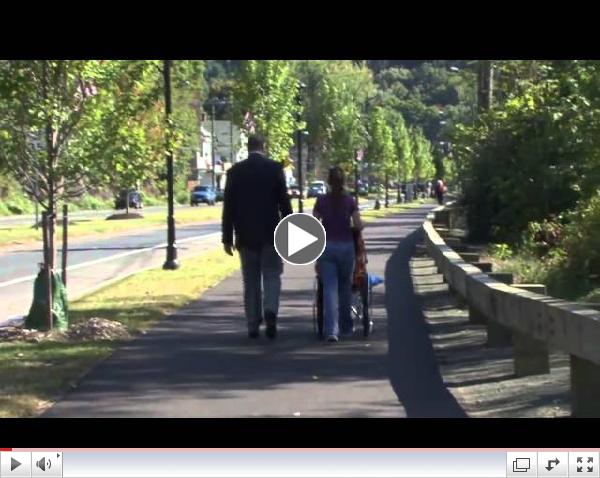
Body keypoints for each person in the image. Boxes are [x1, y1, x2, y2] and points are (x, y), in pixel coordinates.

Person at [222, 134, 293, 340]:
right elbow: (284, 203)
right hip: (271, 233)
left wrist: (227, 237)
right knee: (272, 275)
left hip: (245, 236)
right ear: (264, 147)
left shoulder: (235, 172)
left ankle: (253, 323)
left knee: (250, 280)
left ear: (248, 147)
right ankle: (270, 309)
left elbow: (229, 208)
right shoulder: (274, 169)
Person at [313, 167, 364, 343]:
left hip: (327, 247)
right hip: (346, 247)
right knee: (345, 288)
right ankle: (346, 327)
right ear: (343, 182)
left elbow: (314, 223)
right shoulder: (350, 201)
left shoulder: (321, 201)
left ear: (328, 181)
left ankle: (331, 331)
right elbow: (358, 225)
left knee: (329, 289)